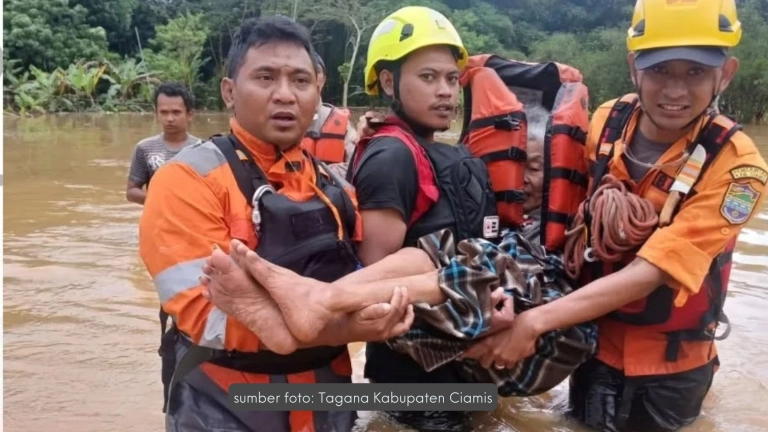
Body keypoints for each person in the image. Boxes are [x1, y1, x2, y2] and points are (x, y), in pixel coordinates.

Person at [459, 1, 768, 431]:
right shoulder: (607, 121)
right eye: (660, 71)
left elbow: (653, 270)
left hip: (670, 370)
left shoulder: (738, 168)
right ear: (633, 68)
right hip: (592, 347)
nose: (675, 91)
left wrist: (533, 322)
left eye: (695, 72)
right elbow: (564, 220)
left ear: (727, 73)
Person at [201, 102, 598, 401]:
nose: (528, 180)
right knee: (431, 254)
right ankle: (314, 303)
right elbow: (384, 262)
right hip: (448, 352)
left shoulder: (569, 228)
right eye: (522, 166)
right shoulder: (419, 165)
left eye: (537, 168)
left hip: (543, 336)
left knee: (479, 265)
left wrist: (531, 320)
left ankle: (315, 306)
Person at [138, 16, 412, 432]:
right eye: (265, 77)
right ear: (229, 91)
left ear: (317, 92)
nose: (285, 95)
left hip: (327, 394)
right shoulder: (184, 180)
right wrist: (344, 327)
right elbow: (204, 316)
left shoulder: (335, 185)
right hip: (225, 398)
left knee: (416, 263)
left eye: (300, 81)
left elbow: (368, 275)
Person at [346, 6, 499, 430]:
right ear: (390, 81)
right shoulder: (392, 156)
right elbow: (376, 284)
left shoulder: (431, 151)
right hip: (414, 376)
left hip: (460, 362)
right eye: (428, 77)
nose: (445, 92)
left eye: (452, 79)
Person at [126, 82, 199, 205]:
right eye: (164, 112)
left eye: (176, 112)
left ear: (189, 115)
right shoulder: (145, 148)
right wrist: (159, 200)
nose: (169, 119)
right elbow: (131, 192)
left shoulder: (203, 149)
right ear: (156, 114)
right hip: (158, 221)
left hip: (193, 220)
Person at [301, 52, 358, 173]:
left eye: (317, 70)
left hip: (333, 189)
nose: (312, 76)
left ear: (324, 79)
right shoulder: (282, 119)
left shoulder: (341, 122)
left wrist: (321, 173)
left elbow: (357, 164)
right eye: (306, 71)